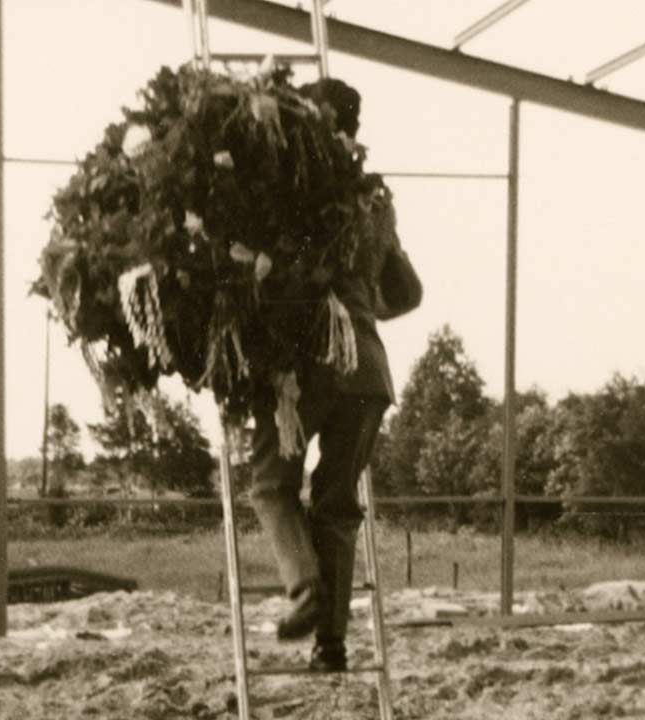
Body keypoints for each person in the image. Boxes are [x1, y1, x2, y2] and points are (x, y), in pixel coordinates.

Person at [248, 77, 421, 673]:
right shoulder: (376, 199)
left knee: (271, 484)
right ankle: (333, 645)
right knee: (338, 507)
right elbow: (410, 291)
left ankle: (302, 587)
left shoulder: (296, 181)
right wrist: (364, 314)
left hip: (309, 365)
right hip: (370, 373)